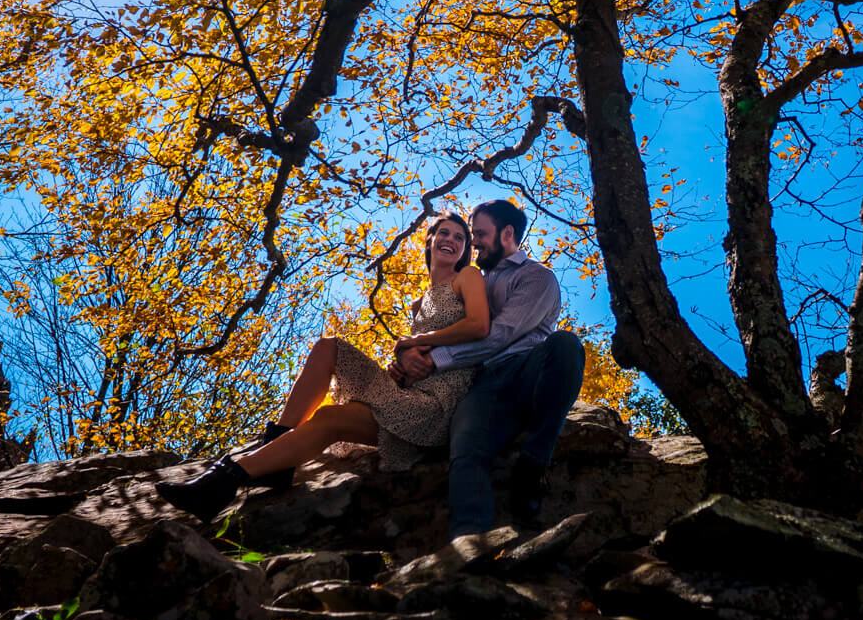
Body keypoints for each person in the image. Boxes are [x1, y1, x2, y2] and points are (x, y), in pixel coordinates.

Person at [154, 211, 486, 520]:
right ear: (428, 241)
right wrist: (400, 367)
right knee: (328, 379)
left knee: (332, 370)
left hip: (436, 409)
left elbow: (478, 327)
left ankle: (226, 479)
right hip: (410, 398)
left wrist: (410, 343)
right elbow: (425, 354)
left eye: (460, 237)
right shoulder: (420, 302)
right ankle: (271, 454)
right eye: (444, 232)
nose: (452, 240)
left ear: (466, 249)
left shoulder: (467, 277)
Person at [395, 198, 586, 539]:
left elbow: (500, 335)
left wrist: (434, 358)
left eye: (480, 234)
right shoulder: (473, 279)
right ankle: (469, 543)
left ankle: (534, 462)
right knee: (466, 449)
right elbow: (451, 322)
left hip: (528, 370)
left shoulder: (537, 277)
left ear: (507, 233)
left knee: (567, 345)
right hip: (483, 384)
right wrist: (407, 360)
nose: (474, 241)